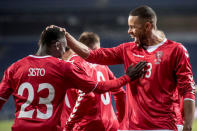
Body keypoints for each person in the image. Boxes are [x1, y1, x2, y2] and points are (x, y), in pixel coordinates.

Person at [65, 5, 195, 131]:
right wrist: (66, 36)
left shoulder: (176, 50)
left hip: (162, 127)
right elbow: (92, 55)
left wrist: (188, 125)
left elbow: (188, 89)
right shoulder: (127, 50)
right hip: (131, 127)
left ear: (147, 26)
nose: (129, 31)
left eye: (133, 27)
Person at [0, 26, 146, 131]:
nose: (65, 52)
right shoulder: (63, 67)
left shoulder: (15, 67)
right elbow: (99, 88)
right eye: (64, 48)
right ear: (57, 45)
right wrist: (127, 77)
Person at [61, 32, 126, 131]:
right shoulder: (103, 65)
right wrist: (121, 122)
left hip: (87, 126)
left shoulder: (74, 65)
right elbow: (120, 92)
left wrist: (69, 126)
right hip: (111, 125)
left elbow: (86, 96)